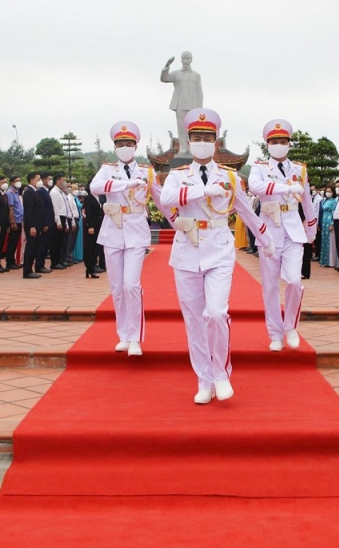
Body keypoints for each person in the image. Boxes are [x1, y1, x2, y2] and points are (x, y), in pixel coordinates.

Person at [158, 108, 269, 404]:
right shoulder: (177, 175)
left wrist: (266, 241)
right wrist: (202, 190)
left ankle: (221, 372)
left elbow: (246, 210)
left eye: (207, 137)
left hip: (219, 248)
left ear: (216, 141)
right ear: (189, 141)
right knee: (194, 320)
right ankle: (203, 380)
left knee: (217, 313)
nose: (202, 142)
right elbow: (166, 199)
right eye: (196, 137)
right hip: (187, 251)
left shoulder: (230, 177)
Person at [247, 119, 317, 352]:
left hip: (293, 230)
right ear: (268, 144)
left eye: (283, 141)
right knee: (269, 287)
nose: (279, 145)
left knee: (294, 281)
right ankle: (275, 334)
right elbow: (255, 187)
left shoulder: (299, 169)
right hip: (269, 231)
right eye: (275, 141)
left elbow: (306, 199)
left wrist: (311, 226)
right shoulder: (259, 168)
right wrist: (286, 188)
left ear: (289, 144)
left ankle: (291, 327)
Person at [90, 122, 155, 356]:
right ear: (115, 147)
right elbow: (94, 187)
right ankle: (124, 335)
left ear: (136, 146)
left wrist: (177, 219)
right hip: (113, 231)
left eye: (128, 144)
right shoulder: (108, 169)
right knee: (116, 288)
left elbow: (161, 198)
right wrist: (125, 184)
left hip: (136, 232)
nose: (124, 147)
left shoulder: (147, 171)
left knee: (131, 285)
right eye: (120, 144)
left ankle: (136, 337)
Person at [21, 173, 48, 278]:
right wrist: (32, 226)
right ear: (32, 180)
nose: (40, 181)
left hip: (37, 225)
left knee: (34, 248)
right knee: (30, 248)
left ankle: (30, 270)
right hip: (32, 226)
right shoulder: (28, 192)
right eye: (38, 179)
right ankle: (27, 271)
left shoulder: (34, 192)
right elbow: (29, 211)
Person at [81, 183, 103, 278]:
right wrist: (90, 226)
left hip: (98, 225)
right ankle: (90, 267)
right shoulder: (89, 198)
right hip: (91, 225)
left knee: (96, 247)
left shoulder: (98, 197)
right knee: (89, 247)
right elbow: (88, 213)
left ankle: (93, 265)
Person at [49, 174, 71, 270]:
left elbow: (65, 208)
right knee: (55, 242)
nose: (64, 183)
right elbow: (55, 208)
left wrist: (65, 222)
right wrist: (58, 221)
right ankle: (54, 262)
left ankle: (59, 261)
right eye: (63, 180)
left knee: (60, 242)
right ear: (58, 181)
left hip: (63, 217)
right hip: (58, 217)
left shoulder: (61, 192)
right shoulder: (54, 192)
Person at [3, 176, 23, 272]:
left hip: (19, 220)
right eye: (16, 181)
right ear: (11, 183)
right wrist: (12, 221)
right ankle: (9, 262)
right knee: (12, 242)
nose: (19, 182)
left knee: (15, 242)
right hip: (15, 220)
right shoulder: (10, 193)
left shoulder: (16, 192)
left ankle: (13, 261)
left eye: (19, 180)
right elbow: (10, 208)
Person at [320, 187, 338, 268]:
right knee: (324, 241)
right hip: (324, 222)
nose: (328, 193)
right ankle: (325, 261)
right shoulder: (325, 201)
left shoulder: (334, 201)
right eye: (327, 191)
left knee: (331, 241)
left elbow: (334, 212)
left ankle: (332, 261)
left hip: (330, 221)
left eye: (329, 191)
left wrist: (332, 223)